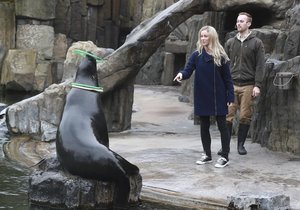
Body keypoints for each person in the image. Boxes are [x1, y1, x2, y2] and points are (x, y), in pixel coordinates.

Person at [174, 25, 234, 168]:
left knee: (222, 125)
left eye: (205, 36)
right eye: (201, 36)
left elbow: (228, 79)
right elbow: (188, 70)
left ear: (212, 37)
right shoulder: (197, 55)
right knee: (204, 125)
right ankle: (207, 154)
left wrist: (230, 96)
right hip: (202, 94)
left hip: (218, 95)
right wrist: (181, 74)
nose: (203, 38)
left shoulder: (221, 56)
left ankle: (225, 156)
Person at [220, 12, 265, 155]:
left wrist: (258, 85)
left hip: (248, 84)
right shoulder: (230, 42)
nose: (238, 23)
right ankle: (225, 147)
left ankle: (240, 145)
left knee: (245, 115)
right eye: (238, 21)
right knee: (228, 115)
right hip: (231, 84)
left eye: (242, 21)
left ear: (249, 24)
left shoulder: (256, 43)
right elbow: (224, 64)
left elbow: (260, 65)